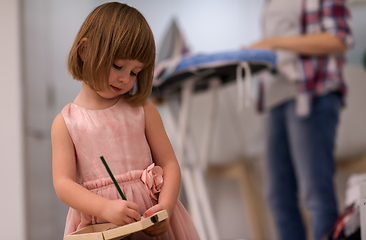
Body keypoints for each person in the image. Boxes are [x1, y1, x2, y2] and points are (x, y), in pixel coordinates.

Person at [51, 2, 200, 239]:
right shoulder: (66, 123)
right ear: (85, 51)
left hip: (149, 224)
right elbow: (63, 184)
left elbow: (170, 164)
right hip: (101, 227)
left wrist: (166, 208)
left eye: (134, 73)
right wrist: (105, 208)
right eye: (118, 65)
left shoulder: (142, 110)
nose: (125, 79)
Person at [248, 0, 353, 240]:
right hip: (277, 98)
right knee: (278, 195)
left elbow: (338, 39)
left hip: (312, 94)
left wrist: (273, 43)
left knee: (315, 194)